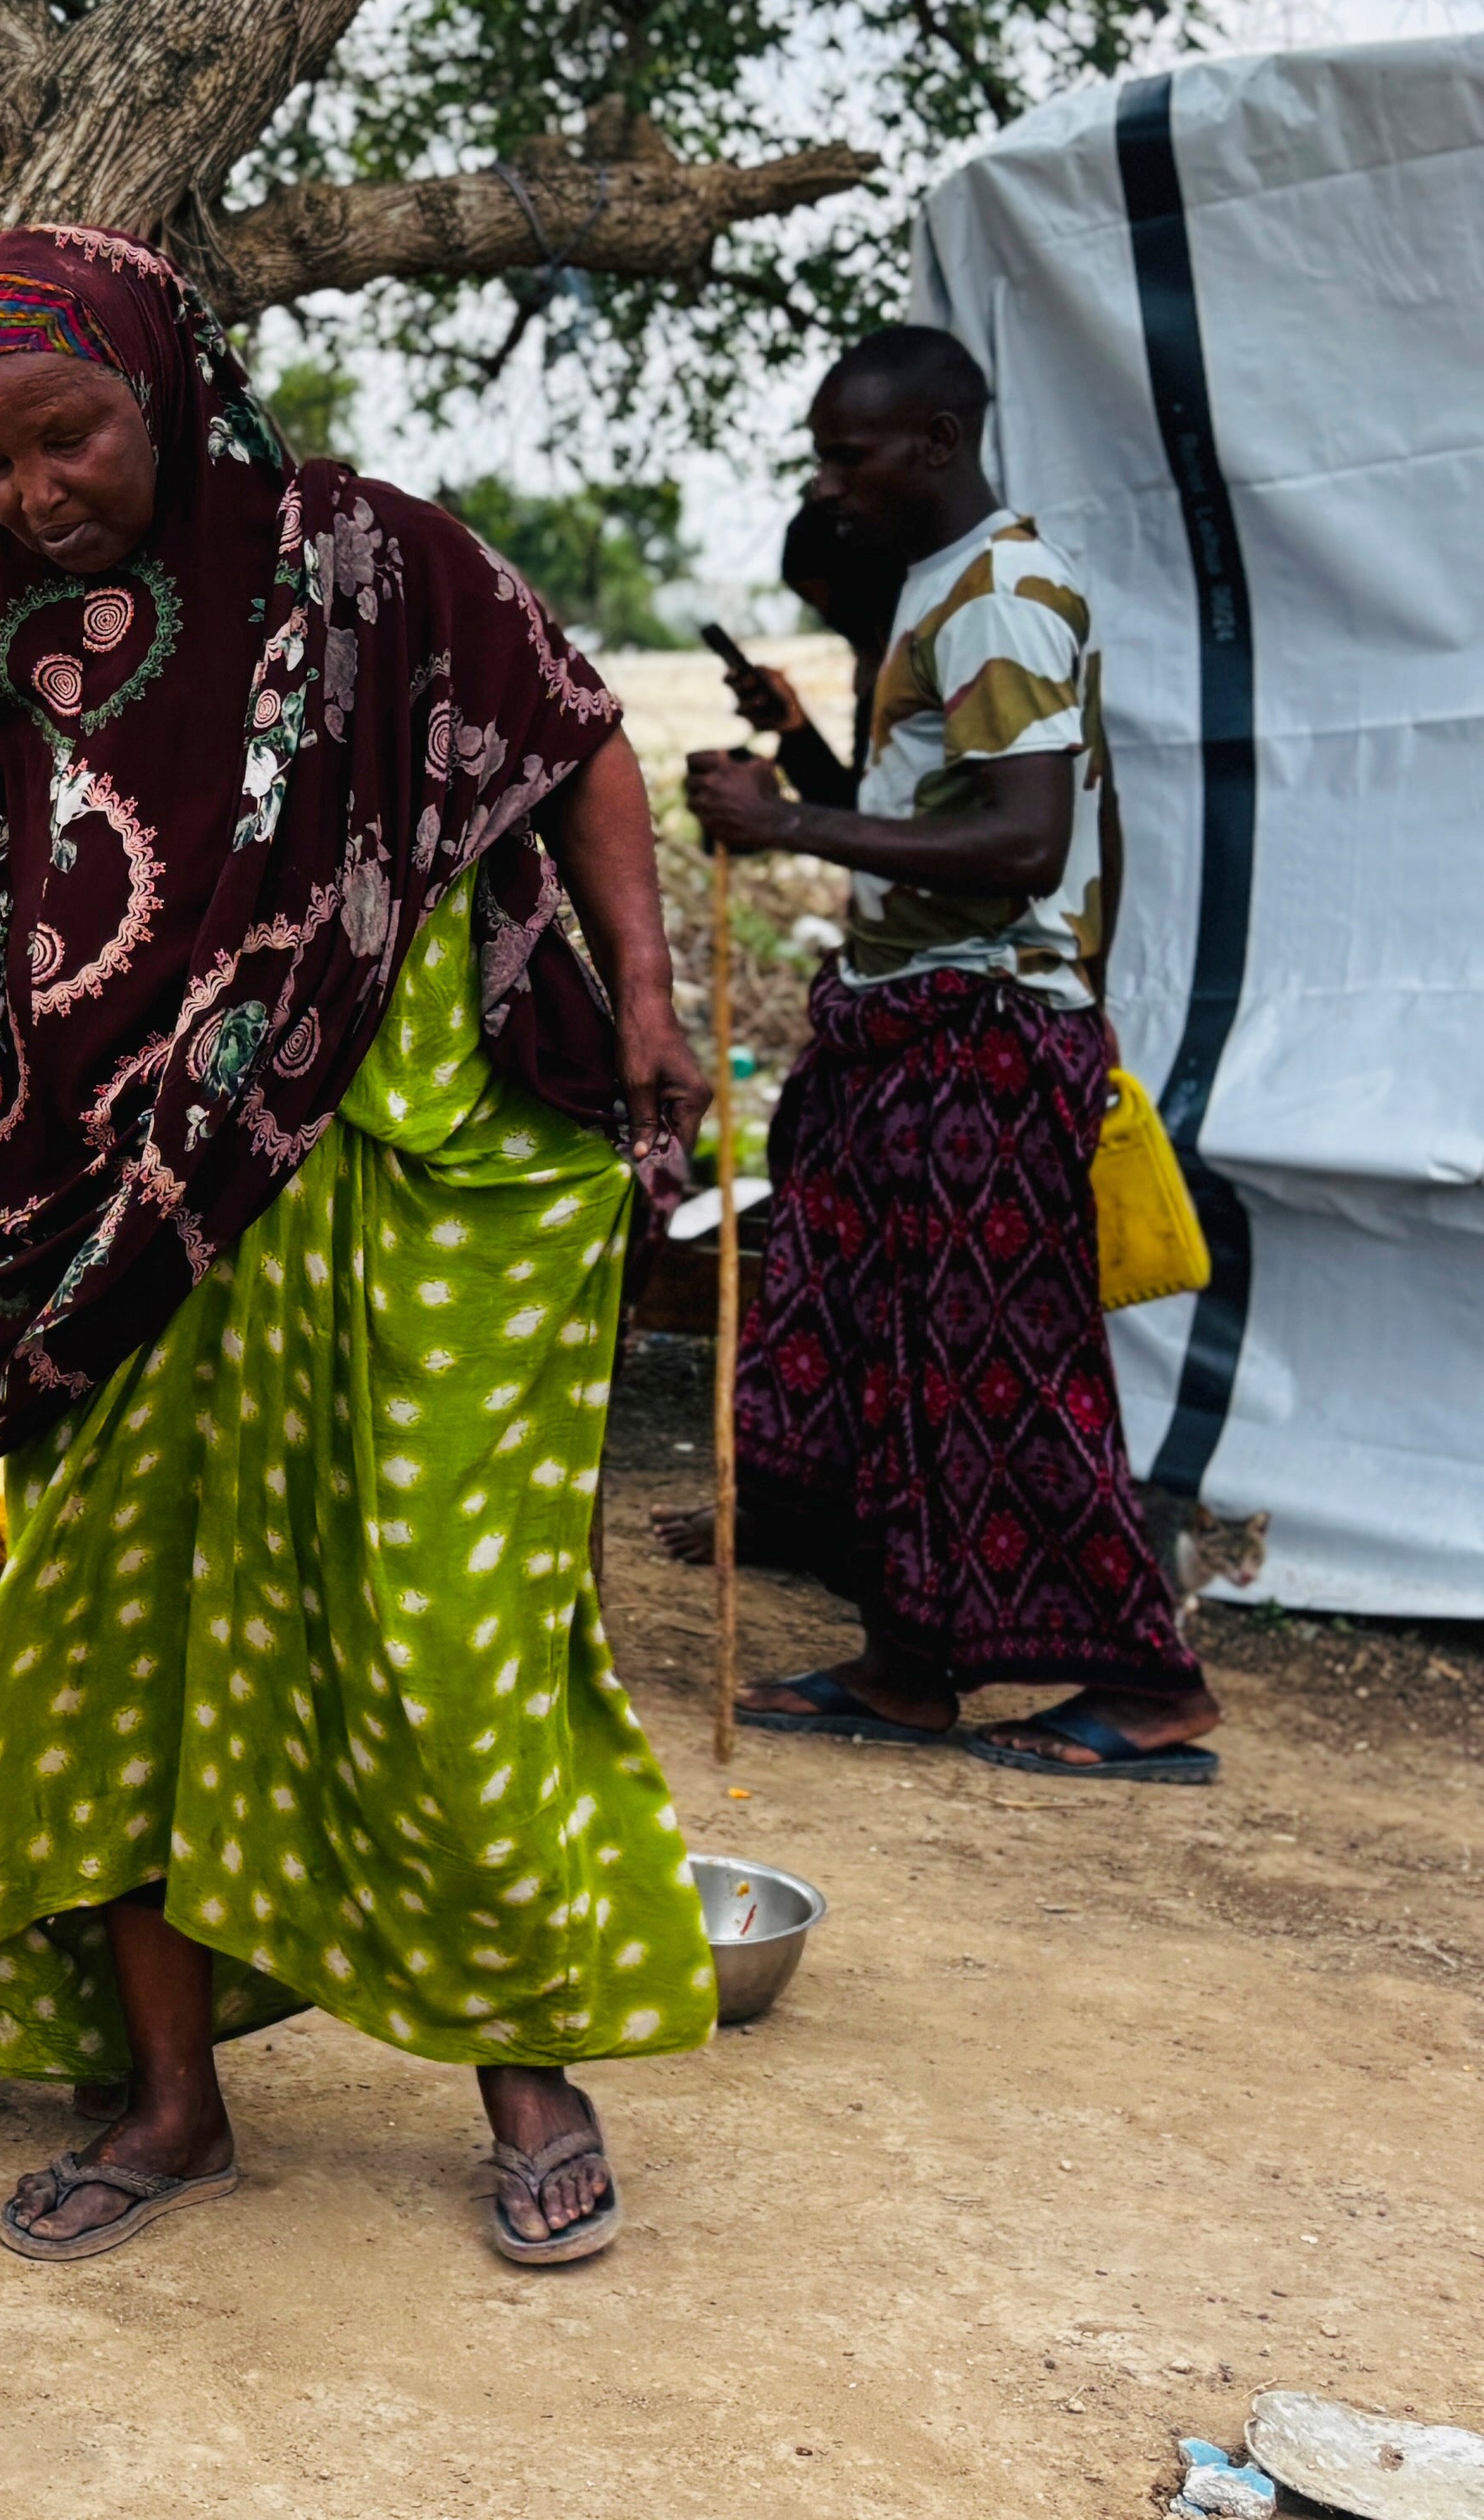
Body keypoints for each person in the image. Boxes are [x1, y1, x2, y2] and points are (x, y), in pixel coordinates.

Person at [0, 225, 717, 2269]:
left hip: (407, 1172)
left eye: (69, 437)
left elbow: (572, 734)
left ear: (161, 386)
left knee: (442, 1631)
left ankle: (527, 2072)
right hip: (129, 1227)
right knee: (115, 1643)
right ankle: (172, 2104)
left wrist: (641, 985)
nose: (33, 491)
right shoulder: (12, 635)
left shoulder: (371, 560)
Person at [672, 324, 1220, 1783]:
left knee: (1006, 1366)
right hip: (917, 1027)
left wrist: (785, 822)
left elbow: (1024, 845)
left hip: (985, 1037)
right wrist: (800, 762)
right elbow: (924, 824)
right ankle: (908, 1665)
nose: (827, 484)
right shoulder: (939, 590)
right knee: (890, 1365)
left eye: (847, 455)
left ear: (936, 439)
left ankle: (1151, 1687)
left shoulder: (1001, 598)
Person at [721, 501, 906, 810]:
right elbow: (854, 808)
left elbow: (871, 823)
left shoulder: (919, 667)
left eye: (826, 600)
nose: (826, 616)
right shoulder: (881, 663)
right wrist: (794, 726)